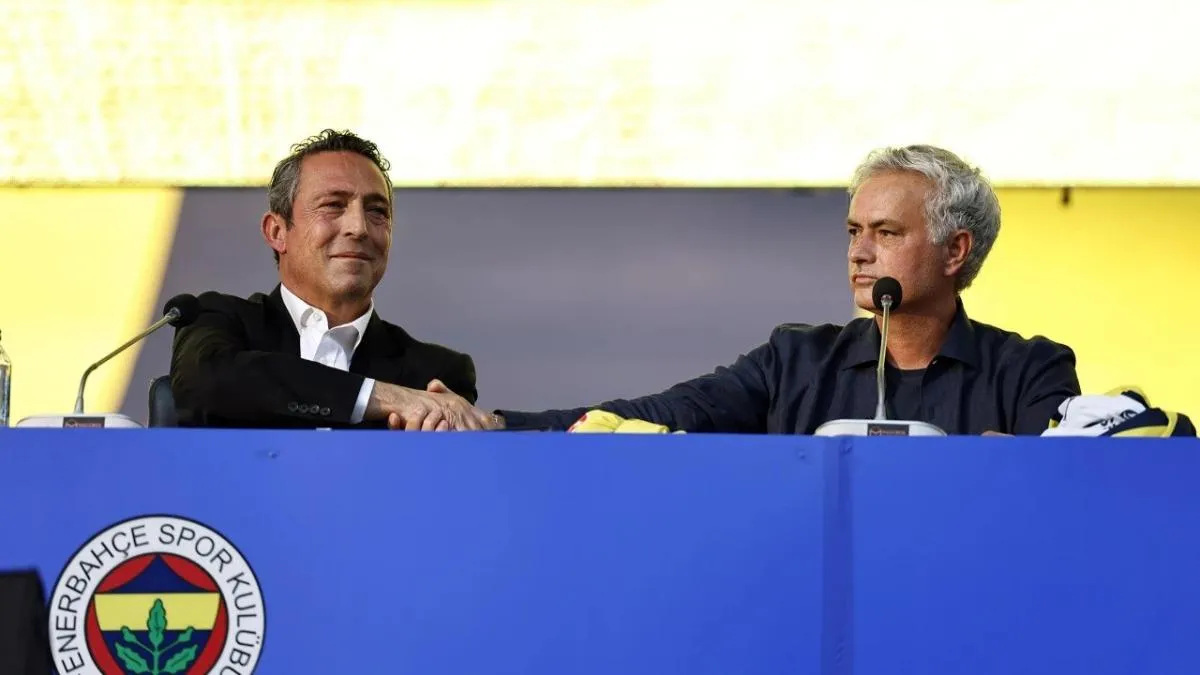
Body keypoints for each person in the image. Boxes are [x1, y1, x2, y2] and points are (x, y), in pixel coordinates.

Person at [453, 144, 1080, 435]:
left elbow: (1067, 493)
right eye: (854, 231)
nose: (859, 252)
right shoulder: (796, 360)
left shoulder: (1030, 370)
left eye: (886, 232)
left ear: (956, 250)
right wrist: (496, 424)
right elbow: (664, 414)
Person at [171, 129, 494, 430]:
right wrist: (386, 397)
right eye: (333, 206)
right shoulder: (217, 322)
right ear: (277, 231)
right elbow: (206, 382)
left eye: (376, 211)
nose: (359, 228)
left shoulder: (434, 376)